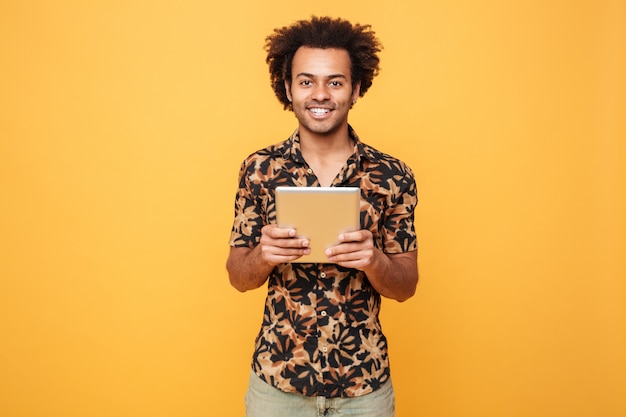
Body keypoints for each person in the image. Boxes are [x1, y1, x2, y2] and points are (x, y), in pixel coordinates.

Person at [226, 16, 418, 417]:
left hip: (364, 386)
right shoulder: (258, 169)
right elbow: (237, 276)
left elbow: (406, 285)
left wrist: (376, 261)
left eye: (335, 81)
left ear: (356, 88)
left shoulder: (393, 175)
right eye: (306, 80)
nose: (320, 94)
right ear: (288, 88)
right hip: (278, 384)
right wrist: (264, 254)